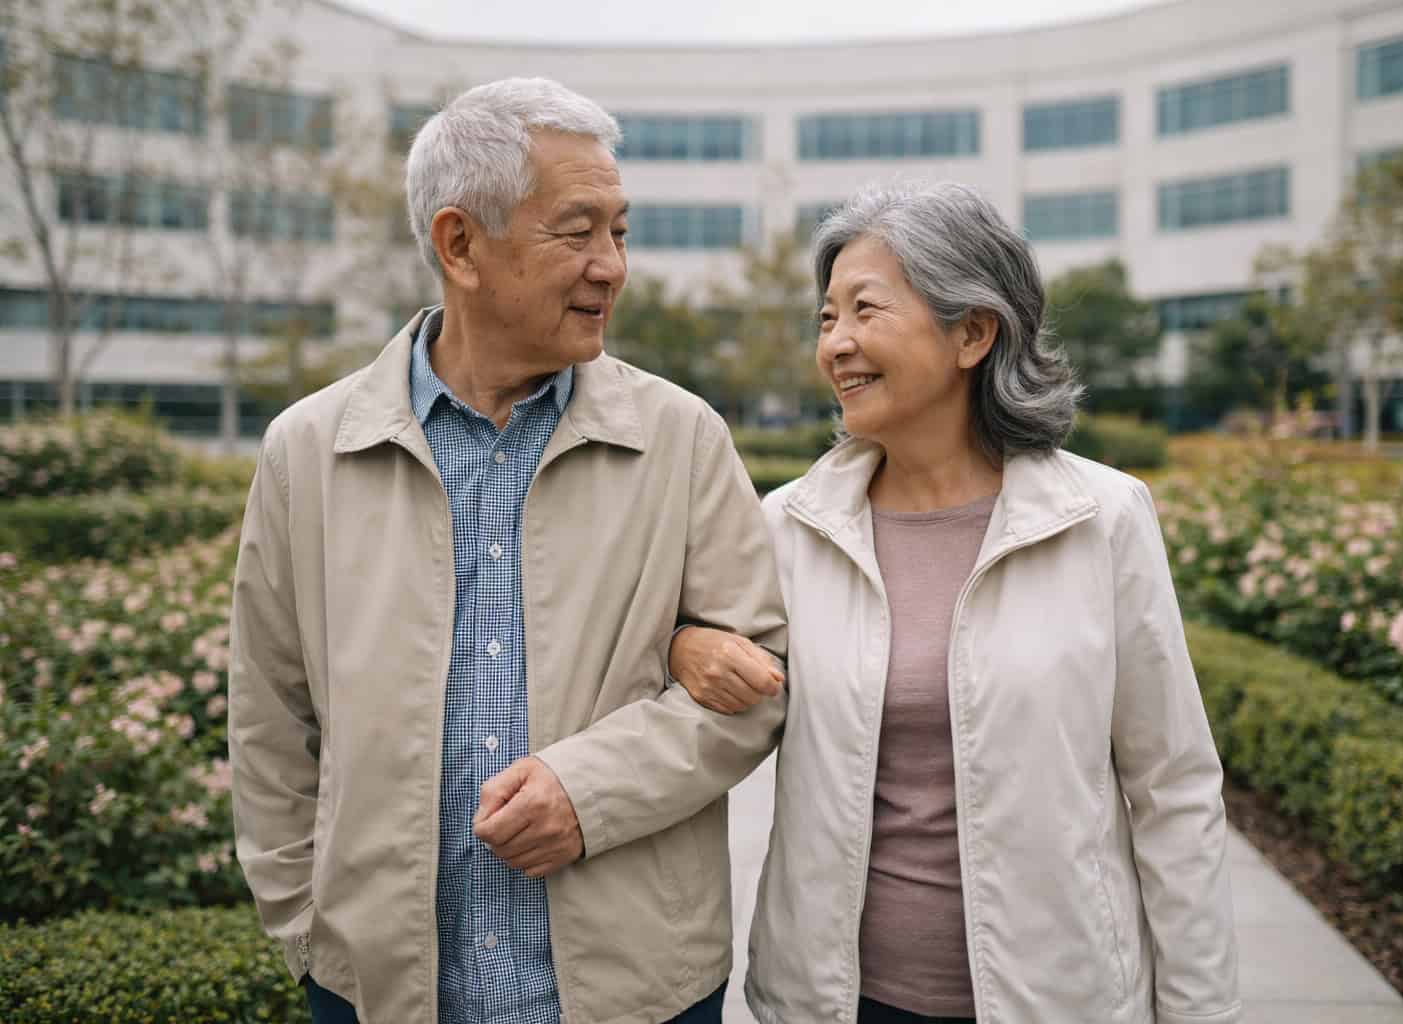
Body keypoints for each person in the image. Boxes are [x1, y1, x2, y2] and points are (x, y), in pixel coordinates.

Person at [229, 77, 788, 1024]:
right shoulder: (306, 452)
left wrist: (589, 792)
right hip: (380, 991)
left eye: (620, 231)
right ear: (459, 244)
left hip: (636, 989)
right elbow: (270, 719)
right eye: (578, 232)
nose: (611, 266)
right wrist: (309, 933)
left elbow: (755, 686)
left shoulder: (683, 438)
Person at [668, 182, 1242, 1024]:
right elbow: (720, 690)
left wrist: (1203, 1011)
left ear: (973, 332)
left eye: (866, 310)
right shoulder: (790, 525)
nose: (837, 345)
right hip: (840, 1001)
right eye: (827, 319)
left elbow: (1174, 788)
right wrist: (685, 642)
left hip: (1055, 998)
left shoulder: (1103, 519)